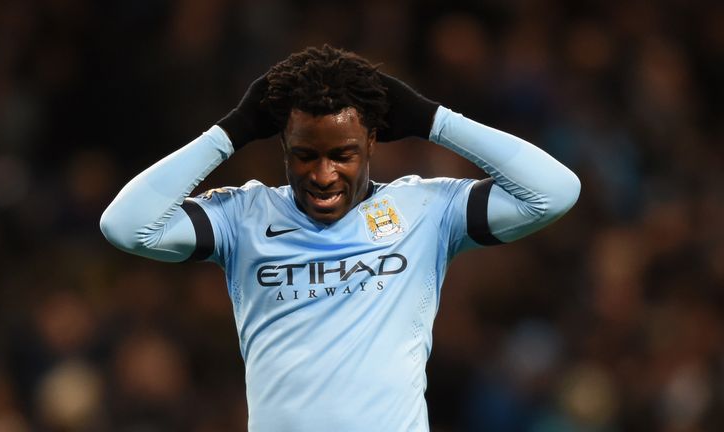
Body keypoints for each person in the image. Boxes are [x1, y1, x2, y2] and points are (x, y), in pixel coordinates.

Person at [100, 44, 580, 431]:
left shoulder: (427, 210)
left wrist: (434, 120)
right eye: (305, 155)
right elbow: (125, 225)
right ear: (283, 147)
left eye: (343, 155)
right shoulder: (242, 216)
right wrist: (232, 131)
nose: (323, 175)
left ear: (372, 142)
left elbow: (553, 192)